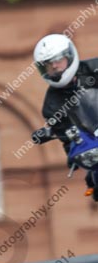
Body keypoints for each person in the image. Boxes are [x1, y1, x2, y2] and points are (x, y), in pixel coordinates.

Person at [32, 33, 98, 199]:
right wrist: (72, 154)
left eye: (58, 60)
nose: (54, 66)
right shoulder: (51, 105)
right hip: (95, 141)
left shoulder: (94, 68)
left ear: (69, 57)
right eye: (48, 64)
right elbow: (66, 136)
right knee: (94, 181)